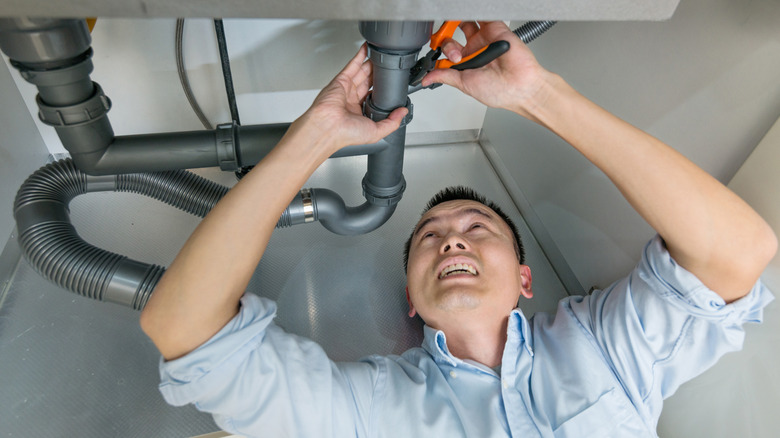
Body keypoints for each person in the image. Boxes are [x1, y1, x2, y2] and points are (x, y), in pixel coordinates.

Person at [139, 21, 776, 437]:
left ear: (525, 279)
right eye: (428, 239)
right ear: (412, 302)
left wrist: (540, 97)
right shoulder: (376, 409)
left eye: (479, 228)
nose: (453, 239)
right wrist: (316, 134)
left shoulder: (603, 348)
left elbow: (739, 251)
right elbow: (182, 328)